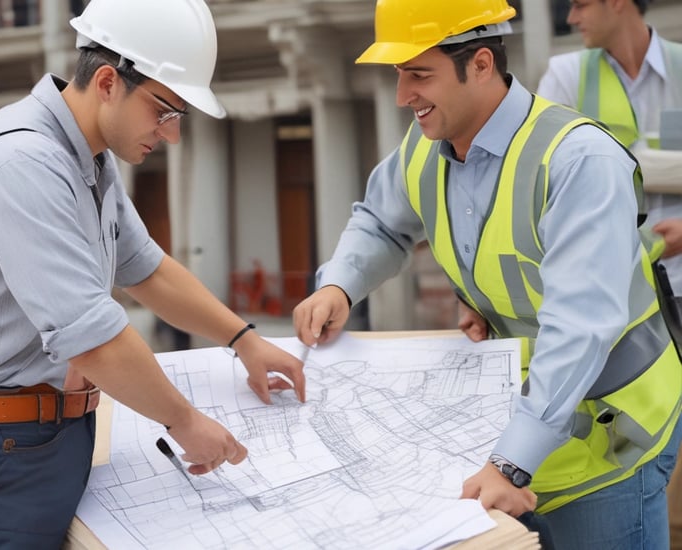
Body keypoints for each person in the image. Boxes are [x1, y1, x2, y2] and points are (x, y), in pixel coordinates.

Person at [0, 0, 306, 547]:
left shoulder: (89, 158)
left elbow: (147, 270)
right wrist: (184, 422)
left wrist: (243, 340)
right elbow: (92, 339)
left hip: (42, 432)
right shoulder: (23, 167)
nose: (171, 135)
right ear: (106, 81)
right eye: (164, 111)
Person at [292, 0, 682, 547]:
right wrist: (340, 284)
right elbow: (382, 221)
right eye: (399, 75)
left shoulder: (578, 161)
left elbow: (579, 326)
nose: (404, 96)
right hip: (511, 429)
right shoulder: (424, 149)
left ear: (479, 64)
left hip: (609, 437)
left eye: (418, 75)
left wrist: (510, 463)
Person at [537, 0, 682, 293]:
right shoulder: (565, 76)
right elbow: (541, 180)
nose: (571, 18)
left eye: (580, 5)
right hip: (610, 291)